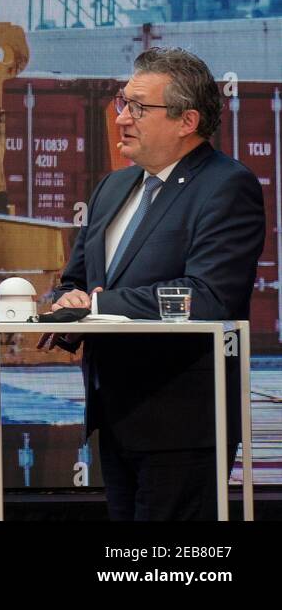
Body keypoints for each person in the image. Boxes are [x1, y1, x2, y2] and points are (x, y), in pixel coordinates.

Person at [39, 47, 264, 520]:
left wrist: (98, 306)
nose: (121, 118)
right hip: (115, 419)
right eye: (123, 102)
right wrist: (66, 303)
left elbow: (208, 296)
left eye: (138, 107)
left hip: (182, 426)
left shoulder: (226, 186)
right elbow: (74, 281)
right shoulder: (113, 188)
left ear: (187, 121)